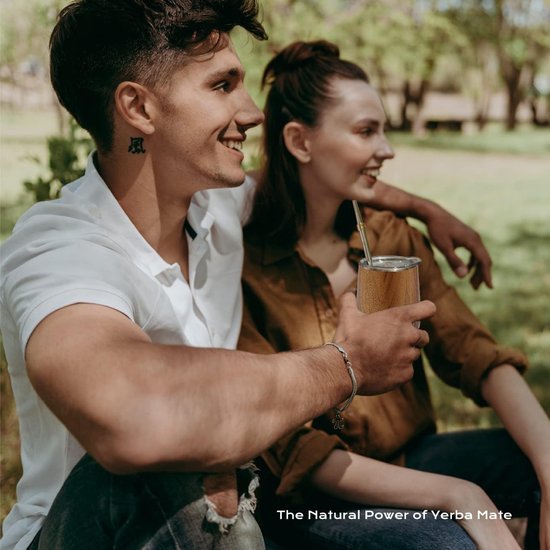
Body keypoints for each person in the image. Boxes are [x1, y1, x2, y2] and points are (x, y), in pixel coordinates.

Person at [0, 2, 495, 548]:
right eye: (222, 85)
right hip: (96, 531)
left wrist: (426, 210)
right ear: (138, 107)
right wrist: (346, 365)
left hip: (249, 518)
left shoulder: (218, 207)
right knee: (181, 455)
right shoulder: (59, 250)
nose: (254, 111)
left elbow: (314, 175)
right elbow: (134, 415)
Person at [238, 40, 550, 550]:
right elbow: (294, 449)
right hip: (307, 502)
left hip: (411, 459)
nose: (388, 149)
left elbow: (475, 352)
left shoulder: (387, 237)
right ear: (300, 141)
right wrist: (459, 496)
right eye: (366, 131)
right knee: (448, 542)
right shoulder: (242, 265)